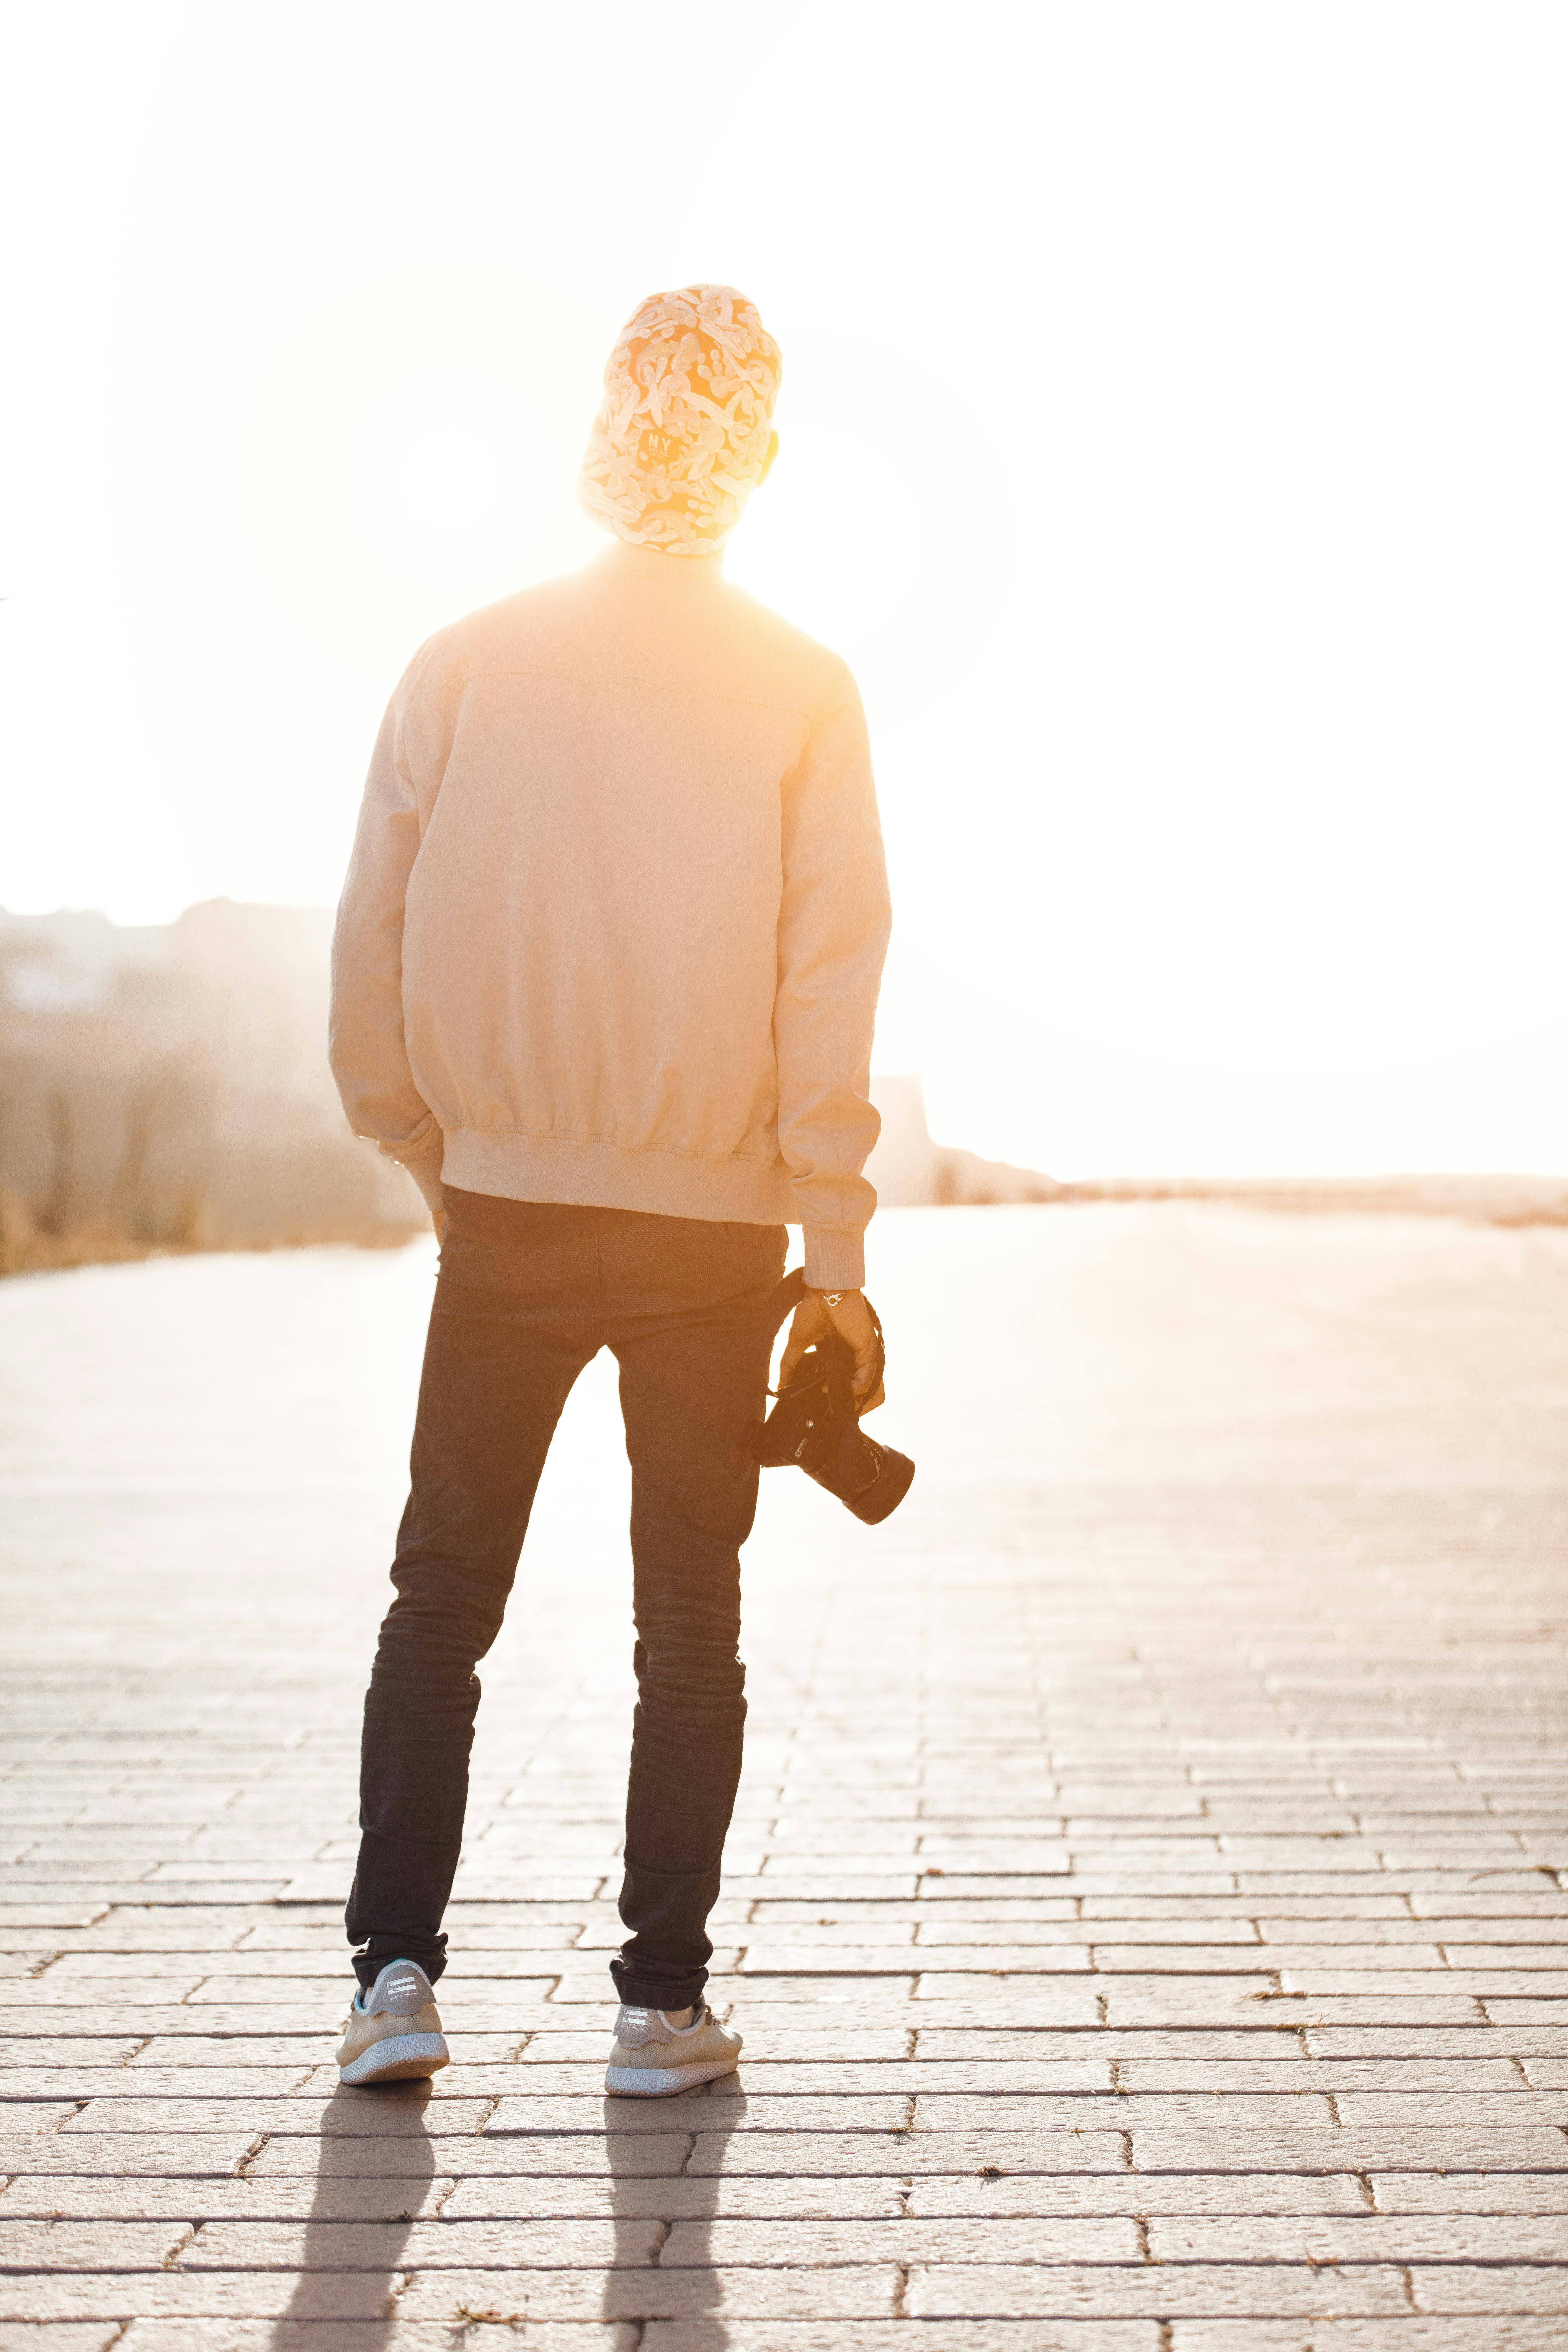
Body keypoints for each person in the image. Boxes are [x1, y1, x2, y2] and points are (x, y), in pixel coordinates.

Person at [327, 285, 891, 2094]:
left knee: (441, 1598)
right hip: (715, 1235)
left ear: (602, 423)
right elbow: (829, 972)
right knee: (691, 1618)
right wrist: (832, 1238)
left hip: (498, 1212)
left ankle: (393, 1986)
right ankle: (659, 2007)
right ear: (761, 455)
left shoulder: (464, 658)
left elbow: (373, 945)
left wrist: (427, 1147)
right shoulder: (805, 684)